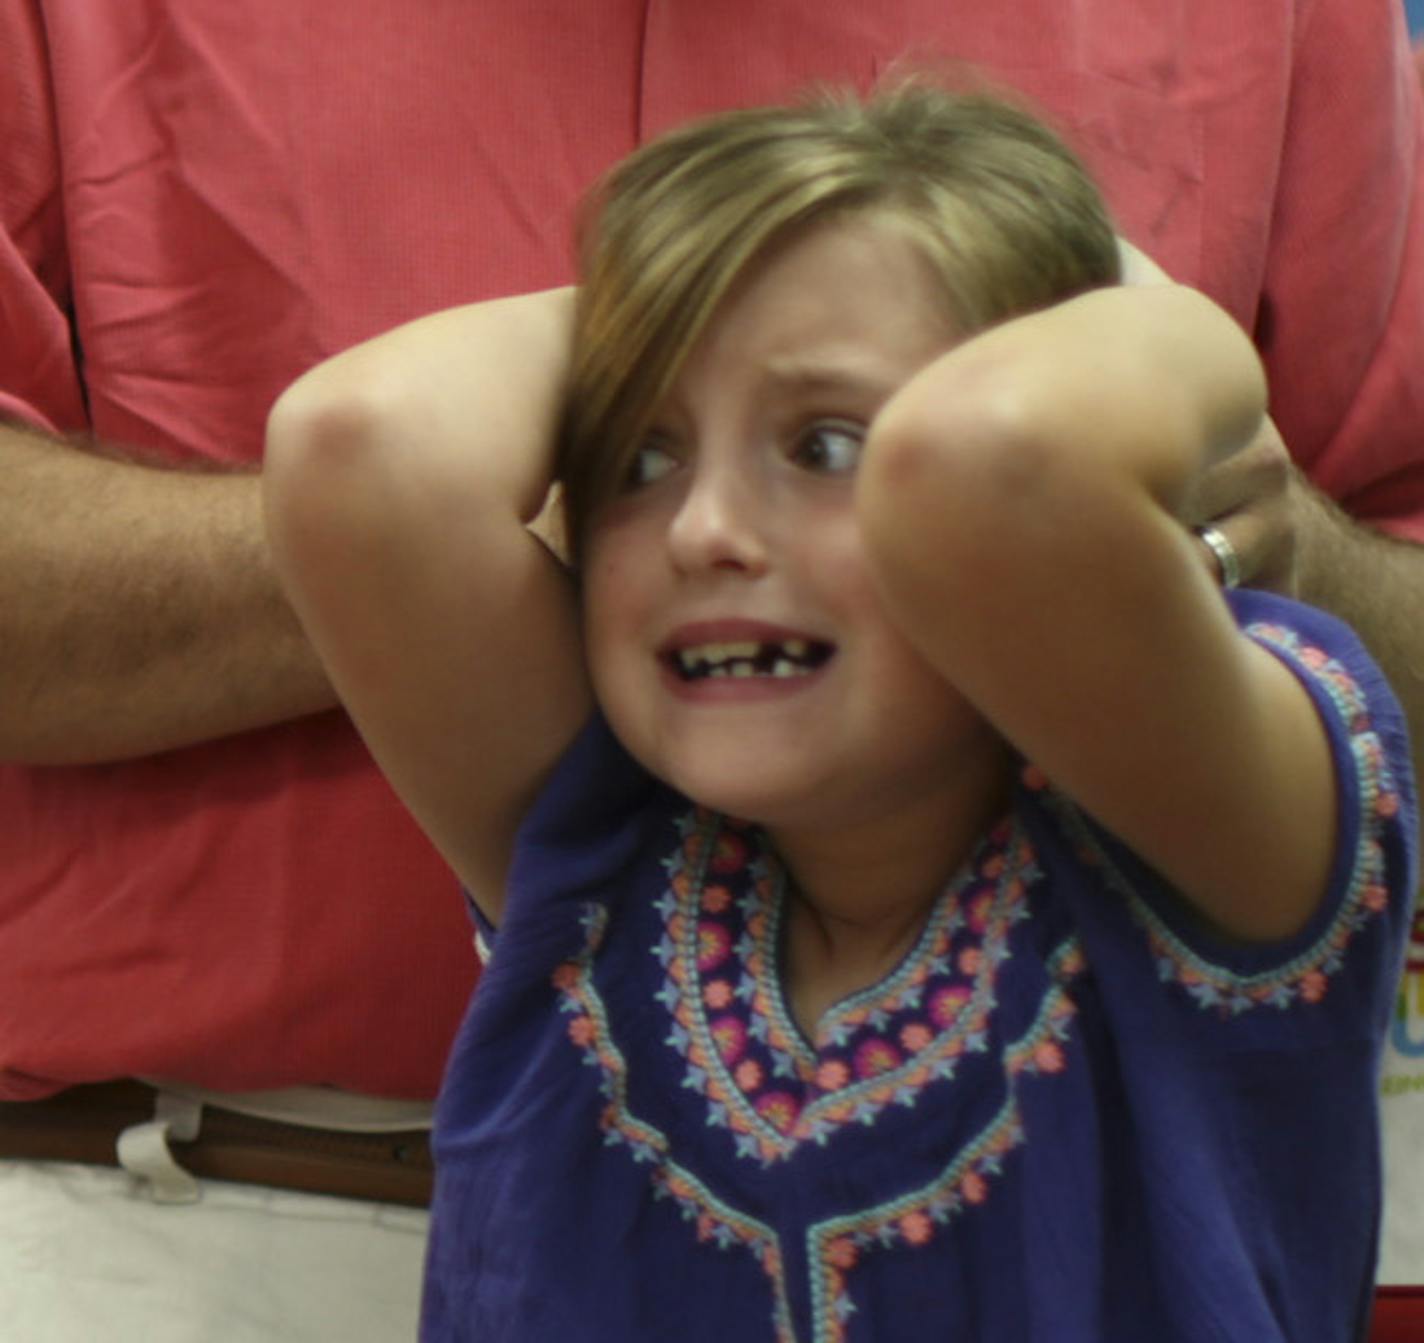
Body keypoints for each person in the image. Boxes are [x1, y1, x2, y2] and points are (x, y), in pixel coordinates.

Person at [5, 1, 1424, 1336]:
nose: (703, 529)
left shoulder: (1208, 858)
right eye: (638, 460)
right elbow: (363, 456)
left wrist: (1056, 289)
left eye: (825, 448)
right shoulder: (625, 886)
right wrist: (736, 285)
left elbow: (1004, 467)